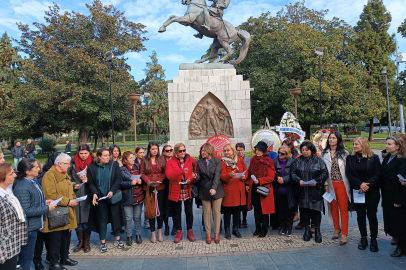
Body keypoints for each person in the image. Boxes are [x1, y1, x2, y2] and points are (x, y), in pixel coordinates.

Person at [13, 159, 57, 270]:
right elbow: (26, 211)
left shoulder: (33, 181)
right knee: (26, 258)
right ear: (27, 171)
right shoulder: (22, 186)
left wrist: (44, 201)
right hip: (29, 228)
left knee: (27, 256)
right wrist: (46, 208)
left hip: (34, 226)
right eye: (36, 167)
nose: (39, 169)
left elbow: (33, 200)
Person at [41, 153, 79, 270]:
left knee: (66, 237)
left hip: (67, 211)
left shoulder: (64, 174)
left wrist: (74, 199)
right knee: (55, 239)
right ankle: (54, 262)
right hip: (56, 213)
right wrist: (68, 202)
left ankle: (64, 257)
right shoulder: (50, 175)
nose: (69, 166)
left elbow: (68, 190)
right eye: (68, 164)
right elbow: (50, 194)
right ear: (60, 164)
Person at [346, 137, 381, 252]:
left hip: (372, 191)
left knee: (372, 215)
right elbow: (349, 174)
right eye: (354, 144)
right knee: (360, 215)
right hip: (357, 191)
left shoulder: (374, 158)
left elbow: (377, 174)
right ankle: (363, 238)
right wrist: (360, 184)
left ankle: (374, 240)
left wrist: (367, 185)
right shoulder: (350, 158)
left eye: (357, 144)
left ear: (364, 145)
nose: (354, 146)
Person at [88, 148, 126, 253]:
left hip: (112, 197)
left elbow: (118, 179)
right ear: (99, 156)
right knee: (102, 219)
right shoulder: (92, 168)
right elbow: (90, 183)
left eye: (108, 155)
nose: (107, 157)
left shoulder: (114, 165)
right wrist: (95, 193)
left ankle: (118, 239)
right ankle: (103, 242)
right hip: (101, 198)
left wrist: (112, 190)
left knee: (115, 217)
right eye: (105, 155)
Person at [292, 141, 328, 243]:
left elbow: (325, 173)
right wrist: (299, 181)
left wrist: (317, 182)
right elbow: (293, 173)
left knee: (316, 210)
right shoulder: (297, 161)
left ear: (311, 150)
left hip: (315, 190)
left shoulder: (319, 161)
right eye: (303, 150)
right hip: (302, 190)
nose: (304, 152)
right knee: (305, 211)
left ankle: (317, 230)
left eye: (307, 150)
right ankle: (307, 230)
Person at [33, 152, 61, 270]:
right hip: (43, 209)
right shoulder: (46, 175)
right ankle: (37, 260)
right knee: (41, 237)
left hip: (49, 207)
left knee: (50, 236)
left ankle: (50, 258)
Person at [321, 131, 350, 246]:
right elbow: (323, 170)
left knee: (343, 208)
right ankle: (336, 228)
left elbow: (348, 169)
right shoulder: (324, 153)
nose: (331, 140)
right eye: (330, 138)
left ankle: (344, 233)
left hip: (342, 183)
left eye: (333, 138)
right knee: (333, 207)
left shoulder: (344, 153)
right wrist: (325, 183)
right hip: (330, 183)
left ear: (338, 139)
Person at [166, 143, 197, 243]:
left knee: (189, 212)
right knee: (177, 212)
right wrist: (182, 171)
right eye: (180, 151)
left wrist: (191, 179)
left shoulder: (191, 160)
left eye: (184, 150)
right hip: (176, 190)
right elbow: (169, 175)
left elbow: (195, 173)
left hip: (187, 189)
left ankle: (189, 231)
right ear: (176, 152)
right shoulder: (170, 162)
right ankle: (179, 231)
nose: (183, 152)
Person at [381, 136, 406, 257]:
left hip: (396, 194)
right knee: (391, 219)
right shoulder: (387, 158)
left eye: (389, 144)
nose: (386, 146)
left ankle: (401, 247)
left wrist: (398, 200)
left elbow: (401, 182)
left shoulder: (402, 160)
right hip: (387, 193)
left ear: (398, 146)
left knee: (399, 222)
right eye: (386, 143)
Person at [195, 143, 224, 244]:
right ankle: (208, 234)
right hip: (204, 189)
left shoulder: (217, 161)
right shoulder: (199, 162)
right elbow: (199, 177)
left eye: (204, 150)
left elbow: (217, 176)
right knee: (206, 212)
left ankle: (216, 234)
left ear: (209, 151)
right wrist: (195, 176)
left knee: (216, 212)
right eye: (202, 151)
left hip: (217, 189)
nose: (202, 152)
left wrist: (214, 188)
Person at [0, 163, 27, 270]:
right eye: (11, 174)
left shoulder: (8, 192)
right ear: (2, 177)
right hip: (4, 251)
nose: (15, 175)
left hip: (12, 247)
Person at [246, 141, 276, 238]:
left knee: (264, 211)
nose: (257, 152)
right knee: (257, 210)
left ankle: (264, 229)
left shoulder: (268, 161)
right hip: (254, 189)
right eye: (256, 150)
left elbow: (271, 177)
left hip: (264, 189)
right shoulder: (253, 160)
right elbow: (249, 171)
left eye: (260, 150)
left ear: (264, 151)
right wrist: (245, 177)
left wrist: (260, 180)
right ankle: (257, 228)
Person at [140, 142, 166, 243]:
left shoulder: (161, 159)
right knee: (151, 210)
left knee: (160, 210)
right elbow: (141, 173)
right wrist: (148, 181)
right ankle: (153, 232)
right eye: (153, 149)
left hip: (160, 187)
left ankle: (160, 231)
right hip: (149, 188)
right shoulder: (144, 159)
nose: (155, 151)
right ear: (149, 150)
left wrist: (160, 180)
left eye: (156, 149)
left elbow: (164, 172)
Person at [69, 144, 93, 253]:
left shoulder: (93, 163)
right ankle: (80, 242)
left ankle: (87, 242)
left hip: (89, 194)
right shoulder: (72, 163)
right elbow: (67, 178)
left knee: (87, 218)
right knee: (78, 219)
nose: (83, 155)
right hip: (76, 194)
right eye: (81, 153)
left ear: (89, 153)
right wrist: (72, 184)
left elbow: (97, 178)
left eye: (85, 153)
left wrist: (89, 180)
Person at [220, 143, 247, 240]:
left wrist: (245, 176)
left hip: (239, 188)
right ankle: (227, 229)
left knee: (237, 210)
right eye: (225, 151)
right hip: (229, 189)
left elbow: (246, 171)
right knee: (227, 211)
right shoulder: (222, 162)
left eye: (228, 150)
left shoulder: (240, 159)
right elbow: (222, 176)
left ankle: (235, 228)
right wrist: (229, 175)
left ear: (233, 151)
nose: (226, 152)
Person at [120, 151, 144, 246]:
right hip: (127, 197)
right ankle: (129, 236)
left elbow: (144, 178)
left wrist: (140, 181)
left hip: (138, 195)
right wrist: (130, 183)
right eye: (130, 158)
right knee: (128, 218)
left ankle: (138, 234)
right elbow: (120, 184)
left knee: (137, 217)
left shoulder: (138, 167)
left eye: (133, 157)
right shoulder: (122, 170)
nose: (133, 159)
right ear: (125, 160)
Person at [272, 145, 297, 237]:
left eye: (282, 154)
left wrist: (284, 179)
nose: (279, 155)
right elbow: (271, 173)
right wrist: (277, 178)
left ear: (287, 154)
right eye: (279, 152)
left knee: (289, 210)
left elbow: (293, 174)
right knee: (280, 210)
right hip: (278, 189)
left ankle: (289, 227)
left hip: (289, 190)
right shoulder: (275, 161)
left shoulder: (293, 162)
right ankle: (282, 226)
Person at [161, 144, 176, 236]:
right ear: (163, 152)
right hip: (164, 186)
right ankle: (166, 226)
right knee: (164, 207)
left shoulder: (175, 160)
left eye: (171, 150)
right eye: (167, 150)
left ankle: (175, 226)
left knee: (175, 207)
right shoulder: (161, 161)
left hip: (174, 186)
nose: (169, 152)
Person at [135, 147, 150, 230]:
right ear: (136, 153)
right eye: (140, 152)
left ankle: (146, 220)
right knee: (138, 206)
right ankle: (138, 222)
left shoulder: (146, 161)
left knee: (147, 204)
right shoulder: (134, 163)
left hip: (145, 185)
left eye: (143, 152)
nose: (142, 154)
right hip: (137, 186)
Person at [236, 142, 250, 228]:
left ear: (244, 150)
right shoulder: (234, 159)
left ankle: (244, 219)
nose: (240, 152)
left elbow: (250, 171)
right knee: (238, 204)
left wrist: (247, 183)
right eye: (238, 150)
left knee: (245, 204)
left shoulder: (249, 159)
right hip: (237, 184)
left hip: (246, 184)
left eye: (241, 150)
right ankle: (238, 220)